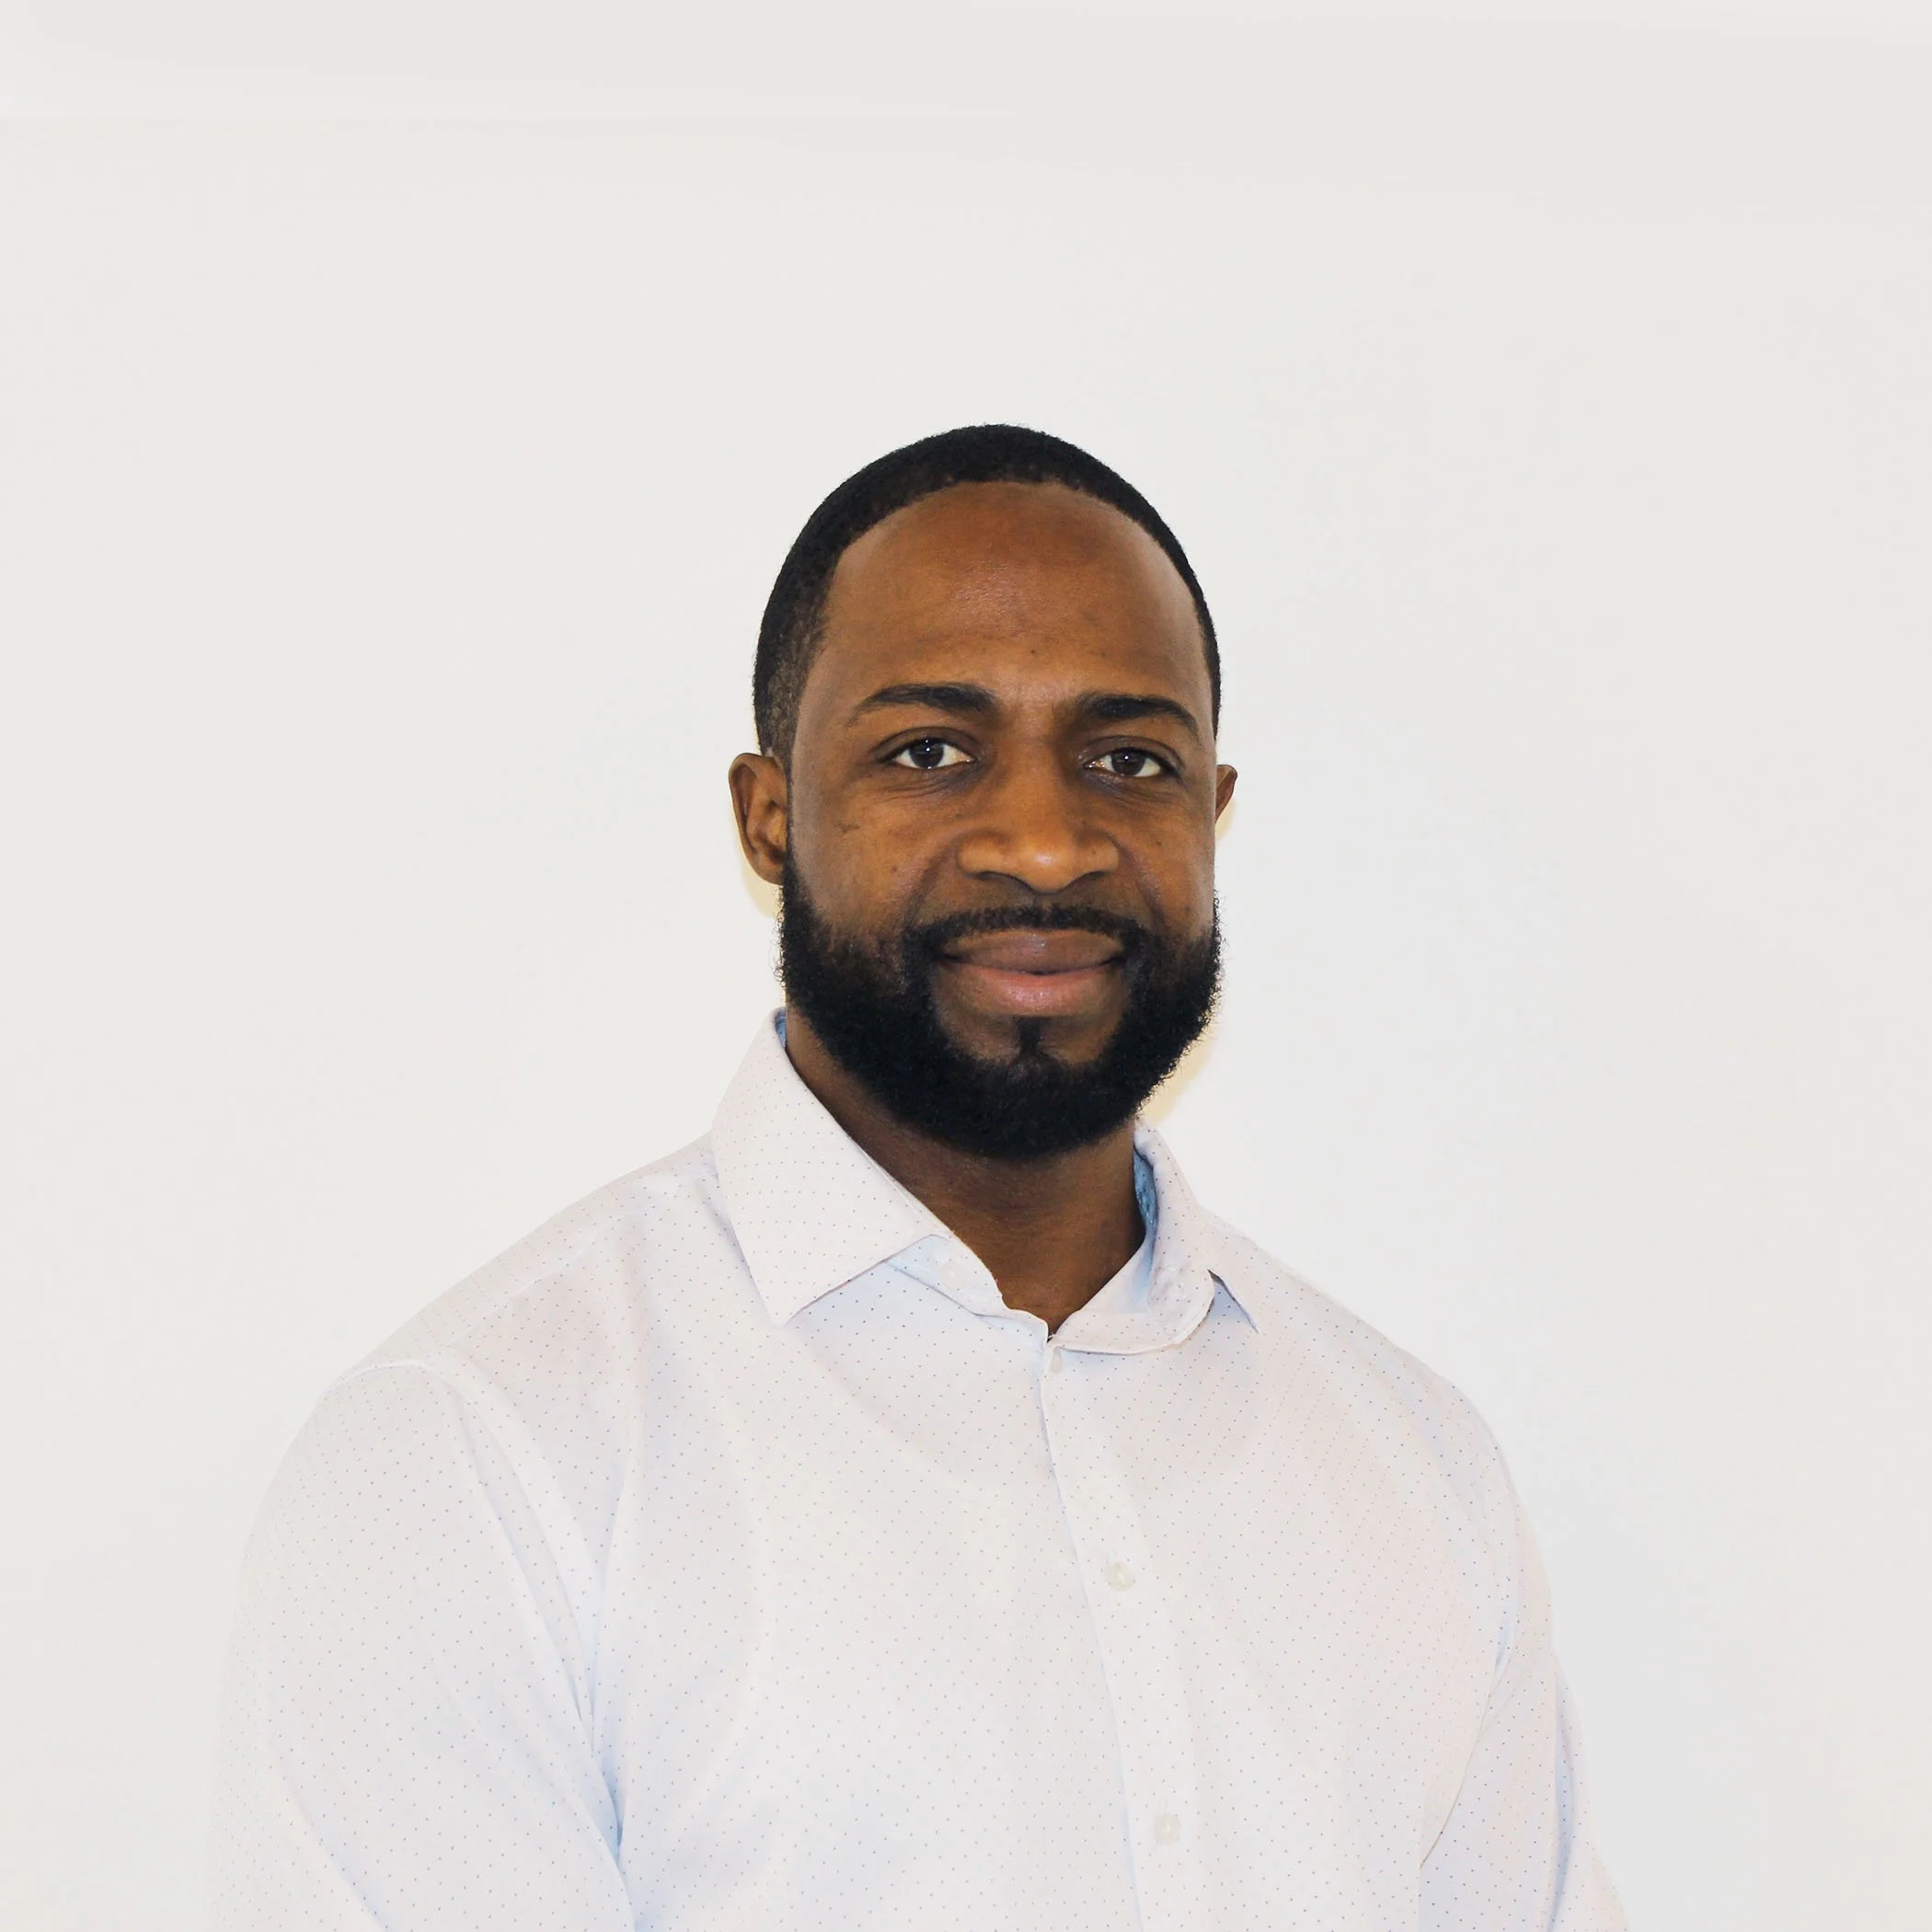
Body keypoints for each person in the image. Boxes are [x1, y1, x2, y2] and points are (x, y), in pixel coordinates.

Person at [212, 424, 1624, 1930]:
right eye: (928, 753)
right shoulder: (484, 1462)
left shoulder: (1415, 1467)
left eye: (1126, 758)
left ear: (1211, 813)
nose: (1042, 841)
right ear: (770, 815)